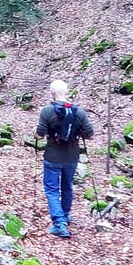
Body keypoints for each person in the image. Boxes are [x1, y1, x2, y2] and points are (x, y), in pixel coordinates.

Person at [35, 79, 93, 239]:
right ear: (66, 91)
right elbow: (90, 134)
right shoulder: (78, 111)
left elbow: (39, 134)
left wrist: (37, 134)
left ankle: (59, 224)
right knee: (67, 187)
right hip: (72, 157)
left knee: (52, 190)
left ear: (52, 93)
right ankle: (65, 216)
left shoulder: (47, 110)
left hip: (53, 157)